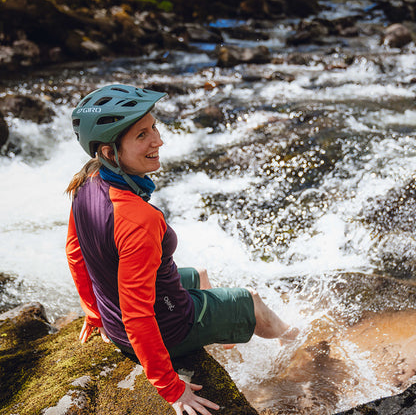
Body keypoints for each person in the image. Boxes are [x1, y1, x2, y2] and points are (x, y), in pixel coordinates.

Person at [65, 84, 298, 415]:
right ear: (108, 151)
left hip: (114, 318)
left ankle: (221, 333)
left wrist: (95, 312)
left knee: (199, 274)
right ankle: (297, 344)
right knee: (252, 300)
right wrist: (171, 388)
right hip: (164, 326)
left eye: (154, 127)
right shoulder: (137, 219)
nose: (158, 141)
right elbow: (137, 315)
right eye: (142, 135)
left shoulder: (87, 180)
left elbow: (75, 252)